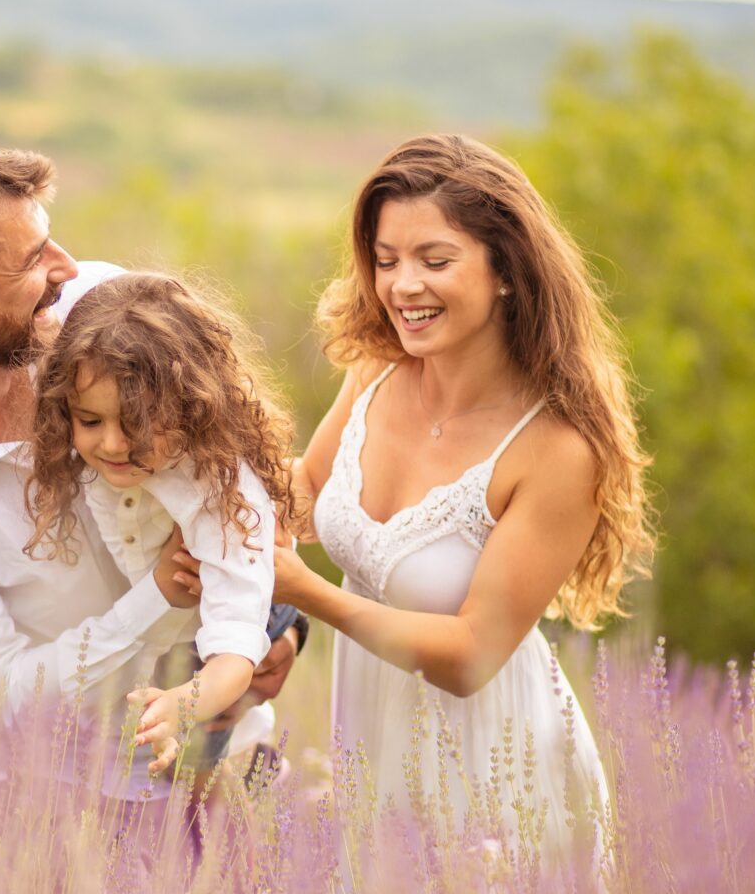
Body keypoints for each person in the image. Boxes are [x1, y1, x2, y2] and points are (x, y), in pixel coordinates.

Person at [0, 142, 301, 803]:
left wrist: (274, 619)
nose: (68, 268)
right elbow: (4, 690)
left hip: (229, 750)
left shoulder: (102, 310)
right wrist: (160, 596)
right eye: (31, 261)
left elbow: (231, 457)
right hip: (49, 798)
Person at [273, 133, 653, 857]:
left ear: (505, 270)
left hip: (498, 775)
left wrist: (303, 593)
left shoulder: (557, 451)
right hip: (374, 755)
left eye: (434, 260)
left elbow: (472, 657)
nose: (401, 286)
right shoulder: (377, 371)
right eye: (385, 261)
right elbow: (308, 494)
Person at [21, 272, 297, 774]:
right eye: (90, 421)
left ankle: (250, 767)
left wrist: (184, 704)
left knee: (208, 769)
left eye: (137, 424)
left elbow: (236, 646)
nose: (112, 445)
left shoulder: (219, 491)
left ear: (191, 405)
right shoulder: (85, 427)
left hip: (233, 621)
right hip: (173, 625)